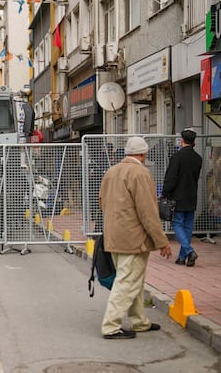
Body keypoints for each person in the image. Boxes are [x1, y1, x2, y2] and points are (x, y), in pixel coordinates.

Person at [99, 136, 172, 339]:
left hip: (113, 236)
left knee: (134, 282)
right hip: (134, 238)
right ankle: (111, 326)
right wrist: (161, 241)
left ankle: (140, 322)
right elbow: (148, 211)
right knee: (127, 282)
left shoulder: (111, 171)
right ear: (143, 153)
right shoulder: (140, 173)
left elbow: (101, 201)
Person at [163, 129, 203, 266]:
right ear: (194, 142)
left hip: (178, 196)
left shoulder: (177, 157)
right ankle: (181, 258)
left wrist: (165, 193)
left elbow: (171, 177)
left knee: (177, 224)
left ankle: (189, 251)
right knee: (187, 227)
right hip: (192, 195)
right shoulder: (198, 158)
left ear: (182, 140)